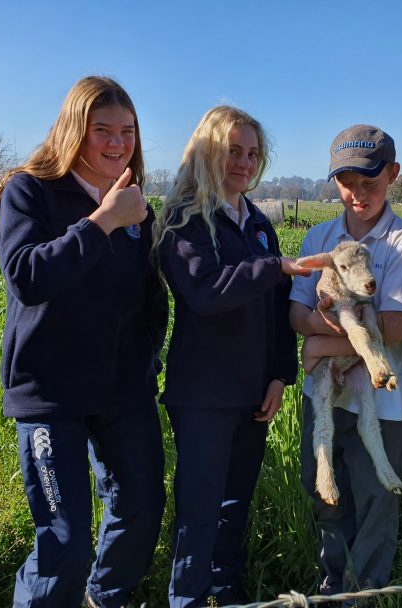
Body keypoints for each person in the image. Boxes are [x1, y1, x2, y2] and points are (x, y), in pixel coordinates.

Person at [0, 76, 168, 608]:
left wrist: (147, 357)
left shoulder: (136, 206)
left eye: (127, 131)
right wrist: (103, 221)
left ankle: (102, 600)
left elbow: (148, 296)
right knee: (65, 540)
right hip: (52, 390)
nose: (117, 143)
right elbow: (26, 276)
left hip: (121, 390)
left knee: (141, 507)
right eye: (102, 130)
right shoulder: (29, 191)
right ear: (74, 131)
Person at [153, 105, 309, 608]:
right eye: (232, 152)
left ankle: (228, 589)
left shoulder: (259, 223)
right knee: (198, 509)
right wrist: (277, 266)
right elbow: (205, 292)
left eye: (252, 154)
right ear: (206, 152)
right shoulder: (184, 220)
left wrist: (280, 376)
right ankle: (188, 598)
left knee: (235, 502)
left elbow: (277, 308)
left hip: (252, 389)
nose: (244, 163)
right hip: (202, 393)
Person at [289, 124, 402, 600]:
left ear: (393, 174)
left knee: (374, 494)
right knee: (322, 485)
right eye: (347, 181)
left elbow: (391, 329)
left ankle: (365, 588)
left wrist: (318, 346)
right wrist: (314, 333)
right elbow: (295, 311)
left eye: (370, 180)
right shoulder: (320, 238)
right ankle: (333, 579)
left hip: (381, 397)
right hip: (325, 391)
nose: (357, 193)